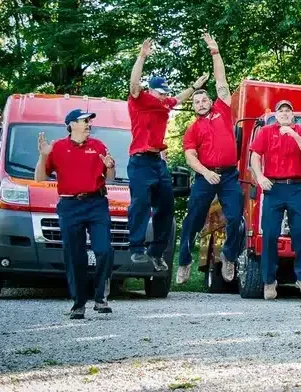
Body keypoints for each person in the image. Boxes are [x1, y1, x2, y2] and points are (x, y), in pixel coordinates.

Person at [127, 39, 208, 271]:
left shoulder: (164, 104)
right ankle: (136, 248)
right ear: (151, 90)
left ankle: (156, 251)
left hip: (157, 162)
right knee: (141, 202)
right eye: (160, 93)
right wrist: (142, 56)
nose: (164, 97)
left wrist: (194, 87)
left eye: (165, 94)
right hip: (139, 161)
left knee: (167, 205)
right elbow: (134, 84)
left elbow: (179, 99)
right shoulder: (139, 100)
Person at [36, 109, 116, 319]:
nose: (88, 124)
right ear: (71, 124)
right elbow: (39, 178)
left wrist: (109, 167)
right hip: (70, 206)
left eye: (89, 121)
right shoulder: (58, 147)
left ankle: (100, 298)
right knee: (74, 255)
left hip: (96, 203)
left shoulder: (98, 146)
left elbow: (110, 180)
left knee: (105, 250)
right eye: (84, 120)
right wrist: (43, 156)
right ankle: (78, 303)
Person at [177, 33, 243, 285]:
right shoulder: (193, 128)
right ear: (193, 106)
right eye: (197, 101)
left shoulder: (223, 111)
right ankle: (184, 261)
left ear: (211, 101)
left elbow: (221, 80)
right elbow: (190, 157)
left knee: (236, 219)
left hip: (228, 176)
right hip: (205, 176)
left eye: (204, 99)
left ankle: (228, 256)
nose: (202, 102)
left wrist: (215, 52)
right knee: (192, 220)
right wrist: (205, 172)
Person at [250, 99, 301, 300]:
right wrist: (260, 177)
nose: (285, 114)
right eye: (281, 111)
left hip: (296, 187)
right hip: (273, 187)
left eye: (288, 111)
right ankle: (269, 282)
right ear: (276, 115)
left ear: (292, 115)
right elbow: (254, 155)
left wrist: (293, 134)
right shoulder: (267, 131)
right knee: (270, 235)